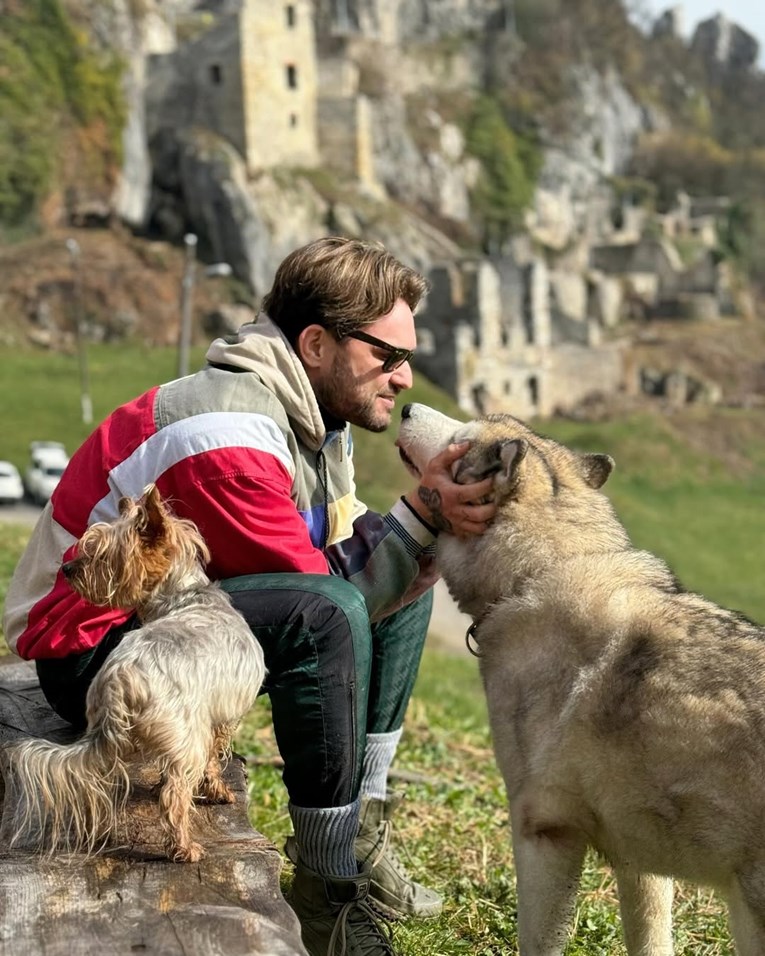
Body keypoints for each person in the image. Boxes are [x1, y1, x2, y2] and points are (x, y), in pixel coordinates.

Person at [3, 236, 497, 956]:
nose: (403, 377)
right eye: (386, 357)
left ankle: (360, 836)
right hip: (96, 657)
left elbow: (345, 559)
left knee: (406, 576)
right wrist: (424, 508)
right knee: (337, 605)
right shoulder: (229, 438)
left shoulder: (308, 412)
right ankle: (328, 891)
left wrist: (413, 535)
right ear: (317, 343)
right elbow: (328, 605)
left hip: (166, 629)